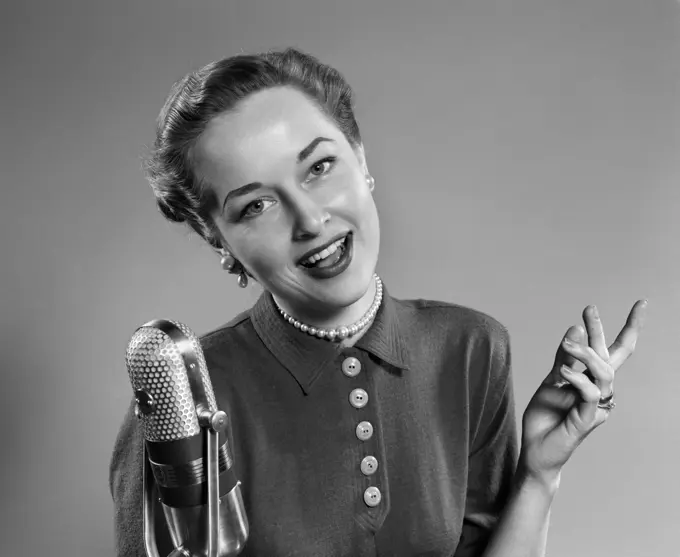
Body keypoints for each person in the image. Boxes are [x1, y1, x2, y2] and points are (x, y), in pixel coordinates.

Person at [109, 47, 647, 557]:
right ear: (220, 242)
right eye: (256, 205)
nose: (310, 220)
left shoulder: (470, 348)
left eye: (319, 168)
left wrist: (539, 471)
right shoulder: (181, 401)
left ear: (361, 159)